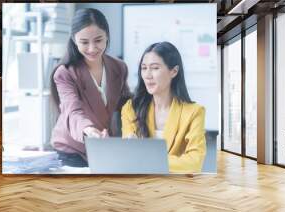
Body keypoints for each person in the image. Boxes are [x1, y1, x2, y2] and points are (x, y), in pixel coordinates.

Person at [50, 8, 130, 167]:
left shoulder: (119, 67)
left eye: (98, 40)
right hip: (73, 147)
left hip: (103, 143)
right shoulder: (65, 73)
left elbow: (125, 102)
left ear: (107, 35)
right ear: (74, 40)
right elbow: (73, 111)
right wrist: (89, 130)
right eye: (84, 42)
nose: (92, 48)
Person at [121, 42, 206, 173]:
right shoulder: (131, 109)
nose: (148, 75)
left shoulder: (194, 112)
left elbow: (195, 162)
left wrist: (149, 159)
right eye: (144, 68)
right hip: (139, 185)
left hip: (175, 187)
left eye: (155, 68)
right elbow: (129, 157)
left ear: (174, 71)